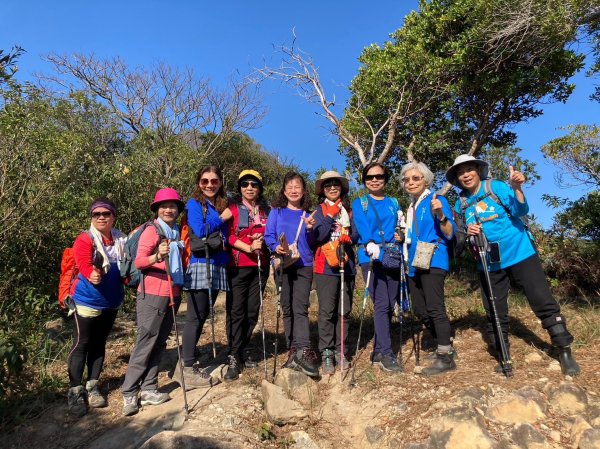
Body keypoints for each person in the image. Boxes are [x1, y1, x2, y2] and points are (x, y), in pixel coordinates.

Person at [446, 154, 581, 376]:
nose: (465, 175)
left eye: (469, 169)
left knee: (542, 300)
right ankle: (503, 356)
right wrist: (467, 233)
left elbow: (520, 211)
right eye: (460, 172)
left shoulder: (496, 187)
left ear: (478, 171)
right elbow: (459, 237)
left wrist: (517, 188)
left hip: (520, 253)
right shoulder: (460, 204)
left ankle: (564, 349)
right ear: (457, 178)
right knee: (494, 310)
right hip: (487, 263)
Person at [121, 188, 185, 416]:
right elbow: (139, 262)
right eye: (164, 206)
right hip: (153, 293)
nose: (169, 209)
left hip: (172, 292)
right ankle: (129, 393)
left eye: (173, 206)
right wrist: (158, 256)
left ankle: (149, 389)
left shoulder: (175, 232)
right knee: (145, 341)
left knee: (159, 342)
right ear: (157, 209)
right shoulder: (152, 230)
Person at [66, 198, 127, 417]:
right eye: (96, 214)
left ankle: (92, 386)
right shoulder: (85, 239)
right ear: (92, 217)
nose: (101, 217)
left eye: (106, 213)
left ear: (113, 217)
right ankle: (75, 391)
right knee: (82, 344)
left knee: (99, 343)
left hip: (110, 302)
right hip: (86, 301)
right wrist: (91, 273)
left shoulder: (121, 239)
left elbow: (127, 268)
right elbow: (83, 263)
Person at [175, 166, 231, 388]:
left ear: (220, 182)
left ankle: (187, 361)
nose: (210, 185)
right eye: (205, 181)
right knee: (195, 316)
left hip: (218, 264)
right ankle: (186, 366)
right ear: (199, 183)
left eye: (214, 181)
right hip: (201, 264)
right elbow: (199, 230)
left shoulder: (220, 204)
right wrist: (222, 218)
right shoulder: (194, 204)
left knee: (203, 313)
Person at [401, 162, 457, 376]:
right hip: (415, 261)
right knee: (420, 310)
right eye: (406, 179)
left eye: (416, 178)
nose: (411, 182)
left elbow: (449, 232)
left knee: (435, 307)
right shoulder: (411, 206)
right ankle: (445, 344)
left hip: (433, 258)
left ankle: (445, 356)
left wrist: (441, 215)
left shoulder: (436, 200)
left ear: (426, 180)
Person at [264, 171, 318, 378]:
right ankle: (292, 350)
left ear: (304, 191)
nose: (294, 190)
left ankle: (305, 350)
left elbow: (313, 244)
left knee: (300, 307)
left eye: (297, 186)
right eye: (290, 187)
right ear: (284, 191)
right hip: (284, 264)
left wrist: (311, 230)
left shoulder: (309, 215)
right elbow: (269, 235)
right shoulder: (276, 212)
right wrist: (276, 246)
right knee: (287, 308)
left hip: (304, 264)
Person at [352, 162, 403, 373]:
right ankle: (386, 352)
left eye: (379, 176)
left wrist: (401, 234)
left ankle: (379, 349)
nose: (374, 180)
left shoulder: (393, 202)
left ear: (385, 178)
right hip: (370, 256)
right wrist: (369, 242)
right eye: (370, 177)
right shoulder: (360, 203)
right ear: (364, 180)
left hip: (392, 255)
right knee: (381, 302)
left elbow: (399, 226)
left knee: (390, 303)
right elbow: (363, 227)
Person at [224, 169, 270, 381]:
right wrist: (248, 246)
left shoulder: (267, 211)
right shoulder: (232, 209)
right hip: (238, 266)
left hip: (261, 266)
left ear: (260, 188)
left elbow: (273, 234)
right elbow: (228, 236)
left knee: (252, 311)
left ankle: (242, 350)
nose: (249, 188)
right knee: (236, 311)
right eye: (245, 184)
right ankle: (233, 355)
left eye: (253, 184)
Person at [312, 171, 358, 375]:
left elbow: (356, 235)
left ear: (341, 188)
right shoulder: (319, 210)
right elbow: (319, 235)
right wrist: (330, 215)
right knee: (327, 311)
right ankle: (326, 351)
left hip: (346, 266)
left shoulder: (348, 211)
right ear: (322, 189)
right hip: (325, 267)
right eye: (328, 185)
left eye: (336, 184)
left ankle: (341, 350)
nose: (332, 187)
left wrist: (349, 237)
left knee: (344, 310)